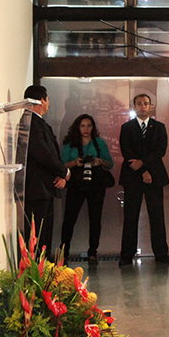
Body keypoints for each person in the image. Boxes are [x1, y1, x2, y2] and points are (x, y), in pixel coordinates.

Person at [119, 93, 169, 266]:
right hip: (132, 176)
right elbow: (126, 151)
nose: (143, 106)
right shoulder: (127, 128)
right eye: (139, 103)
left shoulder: (159, 127)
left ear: (151, 106)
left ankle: (161, 254)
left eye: (146, 103)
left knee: (157, 216)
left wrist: (144, 165)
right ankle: (127, 255)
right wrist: (142, 170)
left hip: (154, 177)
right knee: (130, 216)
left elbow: (161, 150)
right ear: (134, 106)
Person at [21, 85, 70, 257]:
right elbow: (43, 154)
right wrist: (64, 172)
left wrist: (58, 174)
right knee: (37, 237)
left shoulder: (38, 122)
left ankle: (45, 272)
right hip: (36, 189)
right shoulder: (30, 123)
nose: (49, 103)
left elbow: (50, 153)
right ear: (42, 100)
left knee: (45, 236)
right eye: (48, 99)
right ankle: (38, 274)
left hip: (45, 188)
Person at [59, 113, 113, 266]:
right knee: (69, 219)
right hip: (76, 184)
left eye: (89, 126)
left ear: (93, 127)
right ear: (77, 127)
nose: (86, 129)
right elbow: (61, 165)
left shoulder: (99, 143)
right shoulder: (70, 144)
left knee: (95, 219)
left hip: (96, 184)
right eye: (82, 126)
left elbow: (110, 163)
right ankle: (64, 251)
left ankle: (92, 252)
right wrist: (75, 163)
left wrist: (99, 162)